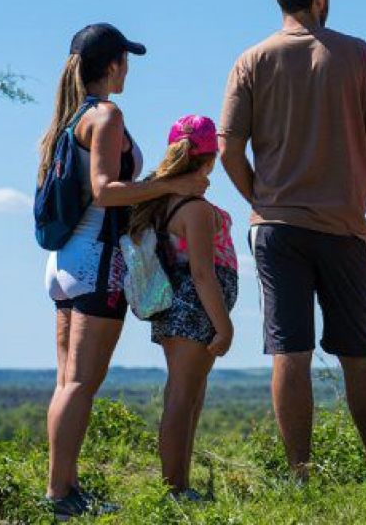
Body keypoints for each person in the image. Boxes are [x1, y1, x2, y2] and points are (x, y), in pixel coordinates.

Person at [218, 0, 366, 483]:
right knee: (358, 351)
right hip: (344, 227)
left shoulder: (251, 60)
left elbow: (229, 148)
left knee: (288, 350)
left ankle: (302, 473)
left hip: (276, 229)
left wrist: (261, 198)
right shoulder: (358, 55)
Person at [38, 24, 208, 518]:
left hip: (65, 262)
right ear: (111, 65)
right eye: (125, 60)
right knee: (80, 383)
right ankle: (59, 494)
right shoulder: (107, 115)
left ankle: (64, 484)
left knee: (67, 381)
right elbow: (107, 191)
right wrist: (167, 186)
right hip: (97, 261)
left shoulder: (69, 119)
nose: (128, 68)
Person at [127, 115, 237, 501]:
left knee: (188, 396)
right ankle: (175, 489)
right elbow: (203, 274)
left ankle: (181, 484)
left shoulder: (162, 203)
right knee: (182, 398)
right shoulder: (193, 209)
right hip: (194, 308)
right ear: (211, 159)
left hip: (177, 308)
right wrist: (224, 326)